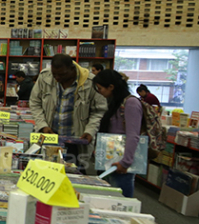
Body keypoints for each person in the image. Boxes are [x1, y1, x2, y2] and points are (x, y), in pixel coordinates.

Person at [30, 54, 107, 168]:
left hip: (76, 140)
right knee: (46, 172)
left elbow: (98, 111)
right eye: (54, 74)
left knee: (74, 175)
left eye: (62, 74)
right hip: (49, 137)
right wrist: (42, 125)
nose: (57, 78)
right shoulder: (45, 76)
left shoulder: (90, 81)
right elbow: (35, 102)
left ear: (72, 69)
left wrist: (90, 130)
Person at [93, 69, 143, 197]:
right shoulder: (115, 102)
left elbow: (133, 135)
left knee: (120, 200)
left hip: (121, 163)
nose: (99, 92)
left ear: (111, 86)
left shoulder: (131, 103)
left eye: (100, 88)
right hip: (111, 159)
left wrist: (125, 162)